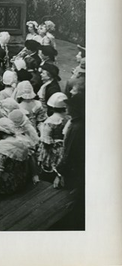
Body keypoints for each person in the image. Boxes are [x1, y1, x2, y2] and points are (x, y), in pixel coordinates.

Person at [52, 94, 85, 229]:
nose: (66, 107)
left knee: (68, 200)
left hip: (73, 170)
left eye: (69, 105)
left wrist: (59, 174)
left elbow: (69, 154)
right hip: (76, 168)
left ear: (75, 108)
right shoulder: (77, 122)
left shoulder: (76, 127)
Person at [0, 118, 30, 208]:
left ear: (0, 132)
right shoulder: (21, 140)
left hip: (8, 185)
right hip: (21, 179)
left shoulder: (4, 146)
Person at [38, 92, 69, 176]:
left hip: (52, 150)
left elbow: (46, 140)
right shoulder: (68, 119)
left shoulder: (50, 121)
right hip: (65, 147)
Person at [9, 109, 40, 184]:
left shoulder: (27, 127)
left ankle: (34, 174)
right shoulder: (14, 127)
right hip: (18, 142)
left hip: (25, 142)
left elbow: (34, 137)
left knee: (30, 155)